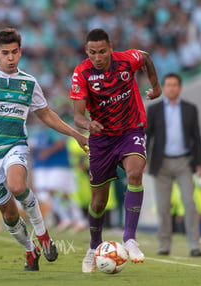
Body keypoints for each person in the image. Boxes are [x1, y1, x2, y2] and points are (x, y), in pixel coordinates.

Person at [0, 27, 88, 271]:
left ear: (20, 52)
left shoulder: (28, 83)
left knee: (17, 186)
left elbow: (46, 115)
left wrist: (76, 134)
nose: (11, 57)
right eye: (6, 53)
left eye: (15, 52)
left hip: (14, 145)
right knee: (9, 214)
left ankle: (44, 236)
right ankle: (30, 250)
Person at [70, 28, 162, 273]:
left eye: (102, 51)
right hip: (101, 139)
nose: (97, 57)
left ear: (110, 47)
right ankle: (93, 246)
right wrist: (88, 124)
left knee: (134, 174)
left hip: (131, 129)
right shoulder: (82, 73)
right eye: (92, 53)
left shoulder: (126, 60)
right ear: (86, 51)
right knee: (99, 202)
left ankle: (129, 238)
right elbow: (77, 115)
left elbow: (146, 58)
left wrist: (156, 87)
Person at [146, 72, 201, 257]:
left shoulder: (190, 108)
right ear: (163, 88)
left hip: (184, 162)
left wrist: (199, 163)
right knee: (163, 207)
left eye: (174, 85)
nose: (171, 88)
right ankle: (164, 245)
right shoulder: (154, 109)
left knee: (189, 202)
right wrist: (143, 159)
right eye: (168, 85)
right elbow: (148, 136)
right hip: (160, 162)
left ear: (180, 87)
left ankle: (195, 245)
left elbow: (197, 136)